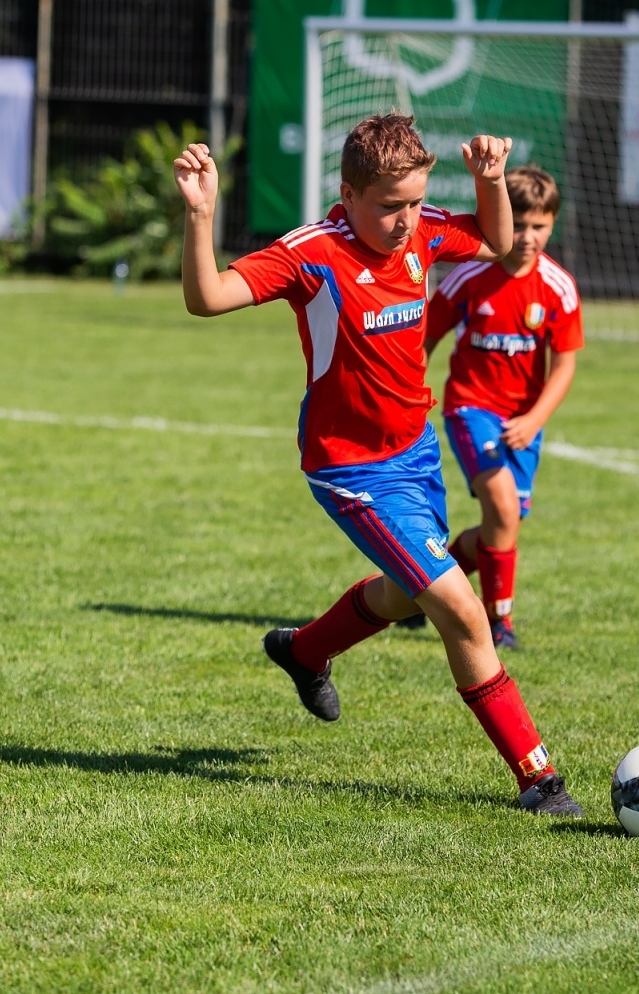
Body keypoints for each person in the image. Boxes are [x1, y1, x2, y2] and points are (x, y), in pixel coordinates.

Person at [175, 114, 583, 816]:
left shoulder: (423, 234)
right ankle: (539, 779)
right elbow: (206, 298)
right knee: (459, 607)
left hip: (415, 450)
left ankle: (303, 651)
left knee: (404, 596)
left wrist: (490, 181)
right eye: (389, 206)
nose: (406, 221)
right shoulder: (311, 254)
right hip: (352, 469)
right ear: (348, 193)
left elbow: (493, 235)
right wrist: (202, 215)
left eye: (416, 202)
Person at [424, 165, 582, 651]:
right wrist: (410, 397)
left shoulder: (557, 287)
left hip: (523, 422)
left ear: (552, 225)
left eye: (539, 226)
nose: (527, 236)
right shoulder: (470, 275)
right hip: (470, 407)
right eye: (518, 224)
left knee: (502, 524)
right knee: (502, 507)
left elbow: (564, 367)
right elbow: (424, 337)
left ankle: (421, 591)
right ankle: (499, 624)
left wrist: (535, 419)